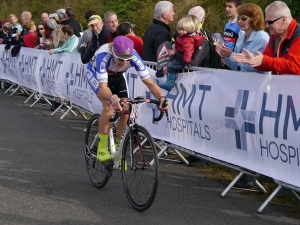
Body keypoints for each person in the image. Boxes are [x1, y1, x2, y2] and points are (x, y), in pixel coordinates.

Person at [86, 36, 169, 163]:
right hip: (95, 74)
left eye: (127, 60)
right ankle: (102, 148)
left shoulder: (134, 57)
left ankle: (119, 152)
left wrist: (162, 97)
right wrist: (113, 97)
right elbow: (103, 87)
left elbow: (150, 83)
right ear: (113, 52)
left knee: (125, 110)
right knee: (108, 105)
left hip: (118, 76)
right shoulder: (104, 55)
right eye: (120, 59)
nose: (124, 63)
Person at [233, 1, 300, 75]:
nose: (267, 26)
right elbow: (267, 64)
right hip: (280, 84)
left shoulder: (298, 34)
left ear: (284, 20)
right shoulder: (275, 36)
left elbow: (295, 66)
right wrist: (253, 61)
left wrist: (264, 60)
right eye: (266, 22)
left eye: (270, 22)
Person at [216, 3, 269, 73]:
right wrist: (225, 56)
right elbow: (236, 66)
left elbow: (256, 67)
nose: (239, 21)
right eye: (238, 18)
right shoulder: (241, 37)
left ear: (254, 19)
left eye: (243, 18)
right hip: (242, 80)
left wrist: (231, 55)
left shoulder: (262, 37)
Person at [159, 15, 205, 91]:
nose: (180, 31)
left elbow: (188, 52)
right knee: (171, 65)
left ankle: (170, 82)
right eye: (179, 29)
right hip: (181, 58)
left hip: (184, 60)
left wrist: (186, 62)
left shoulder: (187, 40)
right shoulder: (181, 38)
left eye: (183, 29)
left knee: (170, 66)